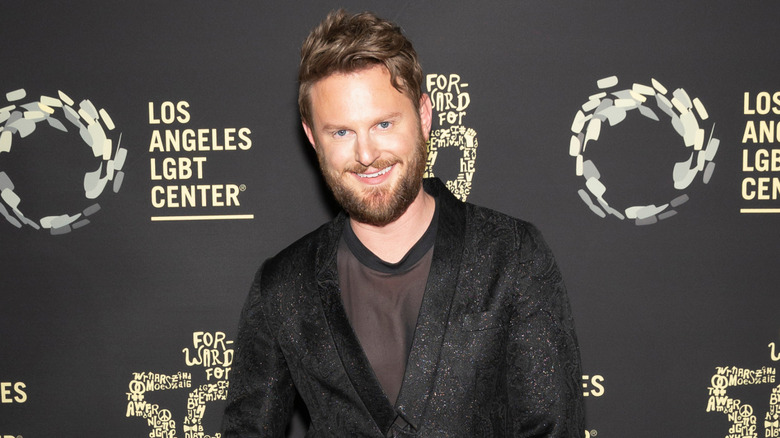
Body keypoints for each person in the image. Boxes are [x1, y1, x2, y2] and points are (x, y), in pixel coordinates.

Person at [222, 9, 584, 437]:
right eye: (341, 132)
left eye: (383, 123)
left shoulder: (512, 254)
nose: (367, 154)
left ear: (424, 117)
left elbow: (552, 429)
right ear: (312, 136)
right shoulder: (282, 287)